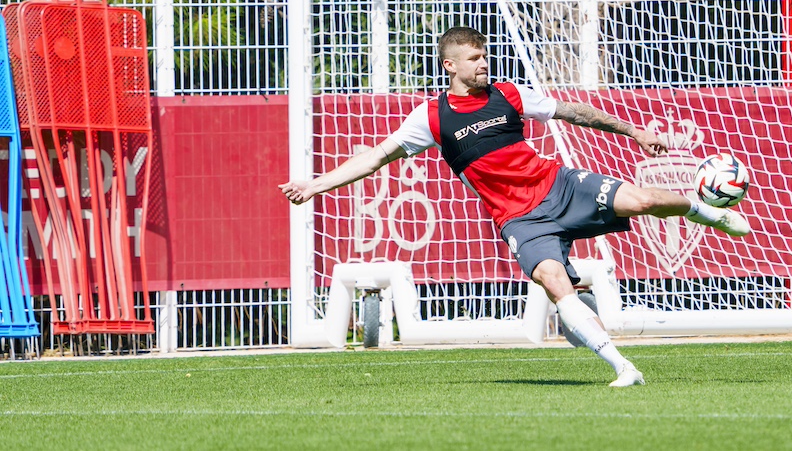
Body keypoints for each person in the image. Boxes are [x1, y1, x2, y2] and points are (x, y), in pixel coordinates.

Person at [281, 26, 751, 387]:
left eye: (485, 55)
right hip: (520, 219)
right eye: (474, 59)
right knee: (553, 283)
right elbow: (374, 157)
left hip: (559, 185)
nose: (484, 63)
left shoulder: (507, 93)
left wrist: (636, 132)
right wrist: (316, 184)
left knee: (645, 199)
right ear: (450, 66)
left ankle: (714, 213)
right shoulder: (430, 117)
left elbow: (573, 112)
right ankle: (624, 367)